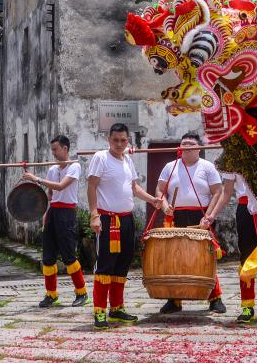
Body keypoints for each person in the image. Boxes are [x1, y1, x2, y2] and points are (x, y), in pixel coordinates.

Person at [85, 123, 164, 330]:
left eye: (123, 140)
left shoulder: (128, 159)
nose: (119, 144)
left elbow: (134, 187)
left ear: (128, 140)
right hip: (107, 220)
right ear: (108, 140)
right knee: (105, 265)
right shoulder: (100, 158)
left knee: (123, 264)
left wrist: (152, 200)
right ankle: (100, 311)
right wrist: (94, 215)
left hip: (127, 219)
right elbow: (91, 186)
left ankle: (117, 308)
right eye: (115, 140)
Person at [154, 132, 229, 315]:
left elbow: (218, 192)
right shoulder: (169, 166)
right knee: (176, 258)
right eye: (183, 143)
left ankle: (215, 297)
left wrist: (209, 216)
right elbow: (159, 190)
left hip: (201, 215)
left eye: (190, 143)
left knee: (205, 257)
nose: (185, 146)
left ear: (199, 148)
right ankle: (175, 299)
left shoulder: (207, 167)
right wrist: (165, 207)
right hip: (176, 216)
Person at [22, 135, 88, 308]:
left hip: (67, 213)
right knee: (48, 256)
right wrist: (46, 214)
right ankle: (51, 294)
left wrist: (35, 179)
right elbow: (51, 194)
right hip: (53, 212)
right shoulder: (52, 169)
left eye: (55, 149)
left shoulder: (75, 166)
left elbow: (60, 186)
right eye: (52, 149)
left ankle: (81, 292)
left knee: (68, 255)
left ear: (65, 149)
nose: (53, 153)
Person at [224, 170, 257, 324]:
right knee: (246, 256)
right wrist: (211, 214)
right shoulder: (233, 156)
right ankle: (247, 306)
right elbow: (226, 192)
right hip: (245, 208)